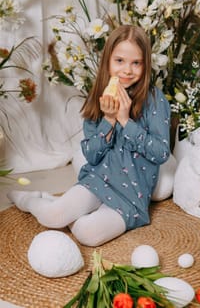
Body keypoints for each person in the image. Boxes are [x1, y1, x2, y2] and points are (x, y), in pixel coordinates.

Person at [7, 25, 171, 247]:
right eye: (120, 61)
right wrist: (110, 120)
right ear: (108, 62)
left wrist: (125, 120)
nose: (127, 70)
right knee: (53, 217)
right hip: (98, 179)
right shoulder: (99, 98)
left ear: (146, 64)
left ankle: (58, 203)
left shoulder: (154, 99)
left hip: (131, 196)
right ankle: (28, 200)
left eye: (136, 63)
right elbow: (92, 156)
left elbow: (161, 153)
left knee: (87, 235)